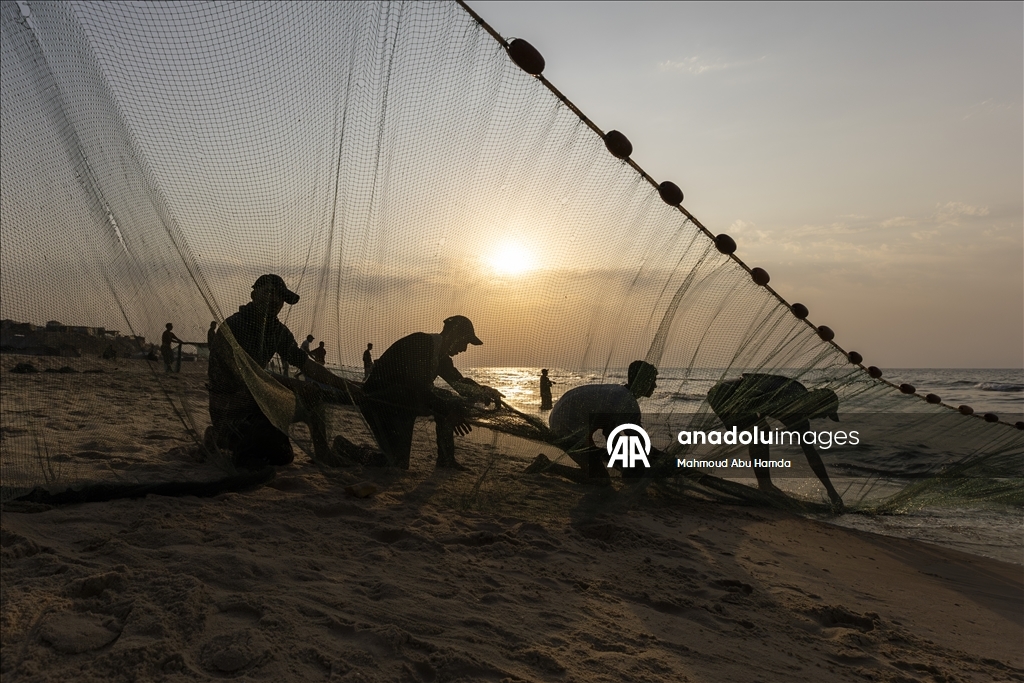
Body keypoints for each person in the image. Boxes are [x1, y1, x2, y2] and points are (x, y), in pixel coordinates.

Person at [206, 274, 357, 468]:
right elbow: (248, 375)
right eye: (269, 292)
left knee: (311, 402)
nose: (275, 300)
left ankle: (323, 453)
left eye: (281, 297)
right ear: (253, 295)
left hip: (260, 400)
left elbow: (307, 365)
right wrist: (295, 384)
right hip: (231, 405)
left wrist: (347, 386)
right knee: (276, 455)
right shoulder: (235, 326)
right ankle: (217, 437)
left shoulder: (277, 330)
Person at [335, 316, 502, 470]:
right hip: (379, 403)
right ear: (453, 335)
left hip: (403, 405)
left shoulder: (441, 357)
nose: (464, 349)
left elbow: (459, 383)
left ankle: (446, 460)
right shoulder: (421, 343)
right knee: (394, 463)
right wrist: (449, 412)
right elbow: (418, 388)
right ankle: (344, 447)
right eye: (465, 342)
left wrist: (483, 391)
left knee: (447, 401)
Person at [706, 373, 844, 509]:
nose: (823, 417)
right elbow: (755, 399)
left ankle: (765, 484)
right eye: (824, 413)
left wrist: (831, 491)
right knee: (761, 431)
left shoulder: (799, 415)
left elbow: (811, 453)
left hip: (731, 395)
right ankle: (765, 486)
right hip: (725, 393)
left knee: (761, 430)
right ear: (817, 405)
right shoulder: (793, 398)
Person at [526, 360, 659, 483]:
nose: (655, 385)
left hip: (564, 417)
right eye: (653, 381)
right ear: (643, 381)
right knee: (601, 480)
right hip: (567, 424)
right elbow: (641, 443)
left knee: (598, 466)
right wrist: (667, 460)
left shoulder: (620, 393)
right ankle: (546, 465)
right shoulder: (628, 403)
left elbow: (610, 433)